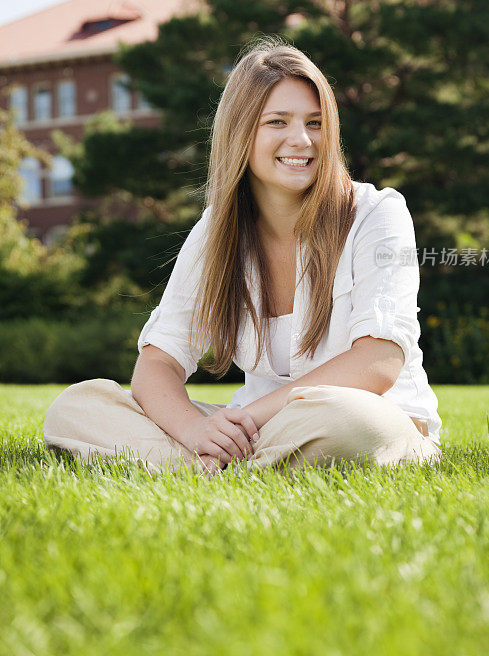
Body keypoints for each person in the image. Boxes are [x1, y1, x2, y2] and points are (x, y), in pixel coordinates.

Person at [43, 36, 443, 478]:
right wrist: (197, 431)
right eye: (278, 122)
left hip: (364, 422)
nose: (302, 140)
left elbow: (378, 362)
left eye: (315, 122)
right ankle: (218, 464)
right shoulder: (217, 231)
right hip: (255, 433)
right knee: (76, 407)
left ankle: (201, 468)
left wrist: (246, 421)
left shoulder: (378, 214)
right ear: (241, 132)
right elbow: (158, 363)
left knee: (351, 420)